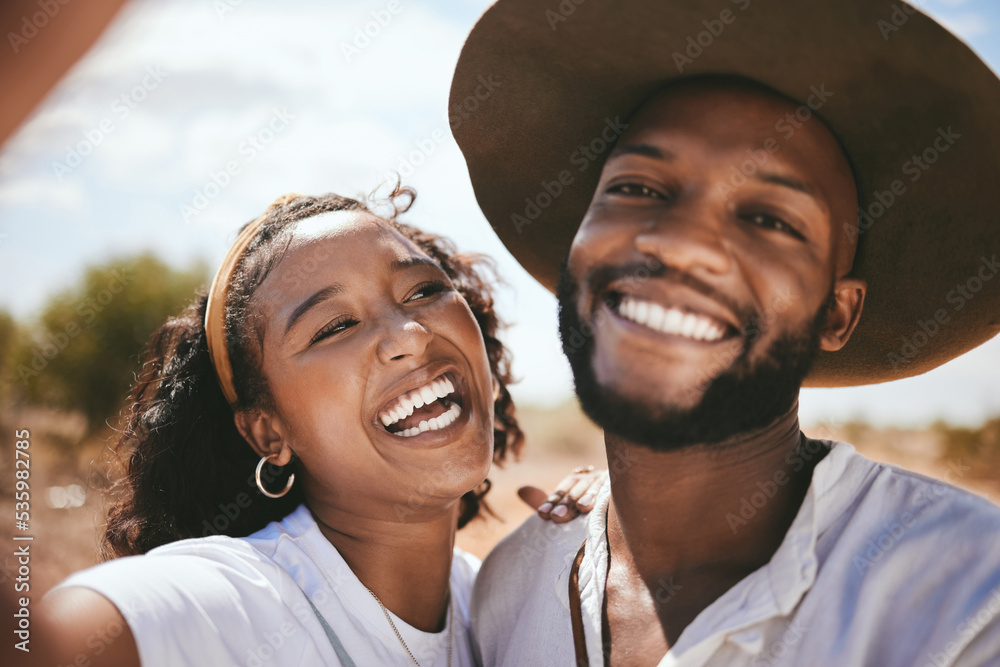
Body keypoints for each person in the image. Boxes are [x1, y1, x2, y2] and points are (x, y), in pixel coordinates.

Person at [450, 0, 1000, 665]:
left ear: (836, 313)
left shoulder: (968, 599)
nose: (681, 244)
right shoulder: (511, 586)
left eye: (770, 220)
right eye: (638, 187)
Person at [36, 186, 606, 667]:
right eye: (334, 326)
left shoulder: (497, 603)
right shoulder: (238, 603)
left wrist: (606, 562)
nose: (410, 334)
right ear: (269, 434)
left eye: (425, 291)